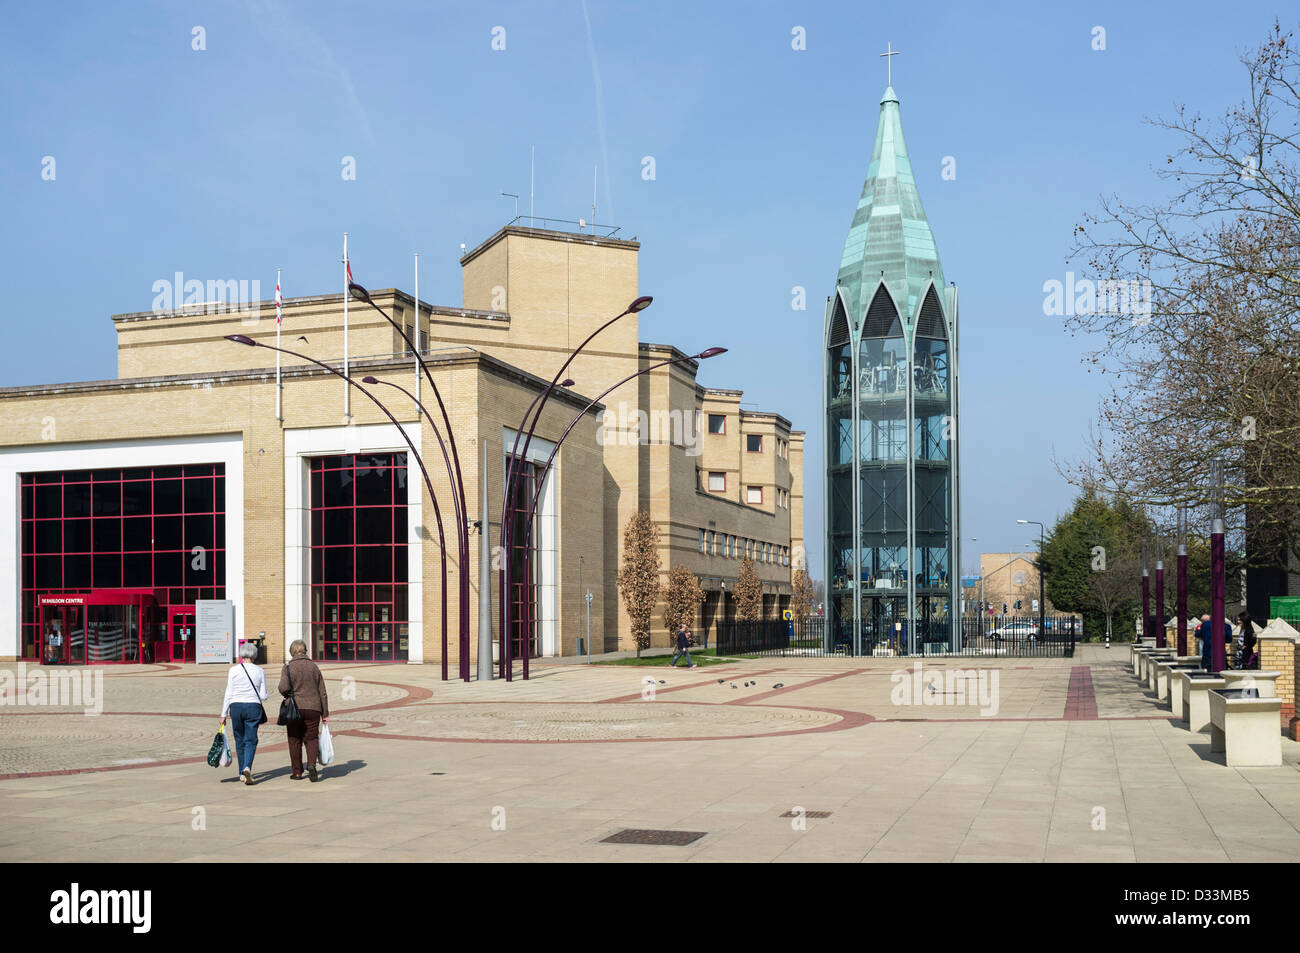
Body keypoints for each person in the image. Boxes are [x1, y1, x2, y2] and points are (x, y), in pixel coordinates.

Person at [279, 639, 330, 782]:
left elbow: (282, 687)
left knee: (294, 739)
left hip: (294, 708)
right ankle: (312, 764)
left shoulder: (288, 667)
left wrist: (288, 695)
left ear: (292, 651)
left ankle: (297, 772)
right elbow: (323, 692)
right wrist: (325, 713)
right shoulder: (314, 667)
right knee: (312, 738)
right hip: (314, 708)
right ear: (305, 650)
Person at [220, 642, 268, 785]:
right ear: (254, 655)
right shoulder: (260, 671)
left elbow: (228, 693)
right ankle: (247, 766)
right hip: (253, 707)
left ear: (241, 655)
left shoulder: (233, 670)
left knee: (239, 739)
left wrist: (223, 714)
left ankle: (241, 771)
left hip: (236, 707)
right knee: (251, 739)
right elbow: (263, 695)